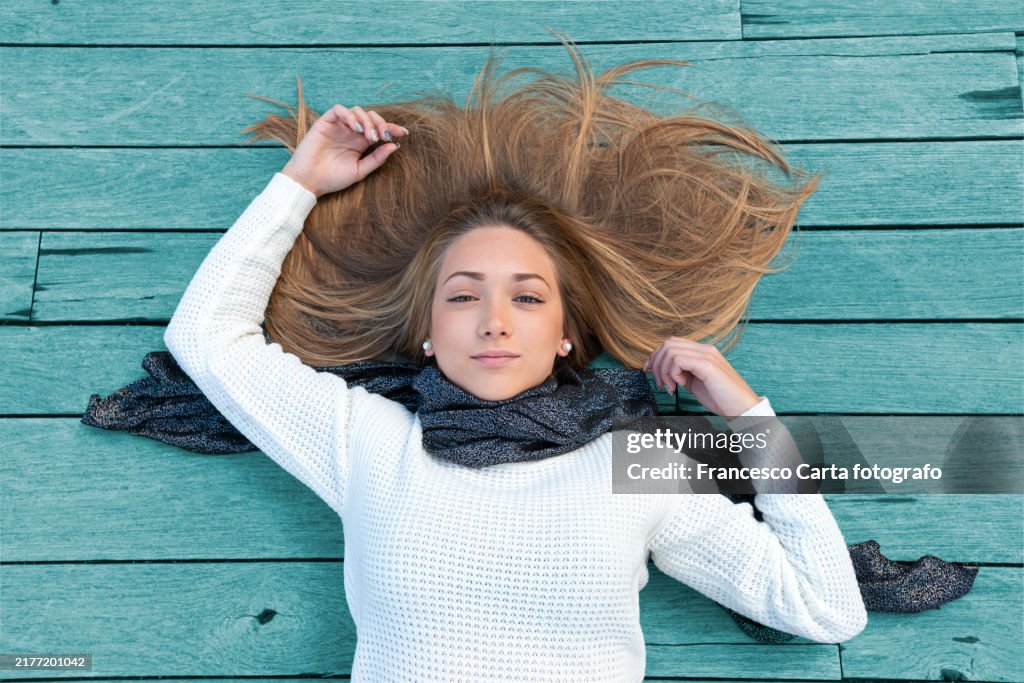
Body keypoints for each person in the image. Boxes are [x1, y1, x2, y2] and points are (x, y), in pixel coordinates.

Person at [160, 34, 867, 682]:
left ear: (566, 334)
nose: (495, 322)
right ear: (429, 332)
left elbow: (826, 609)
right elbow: (206, 337)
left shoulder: (635, 467)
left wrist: (750, 419)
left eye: (527, 299)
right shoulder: (368, 441)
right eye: (464, 297)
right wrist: (300, 185)